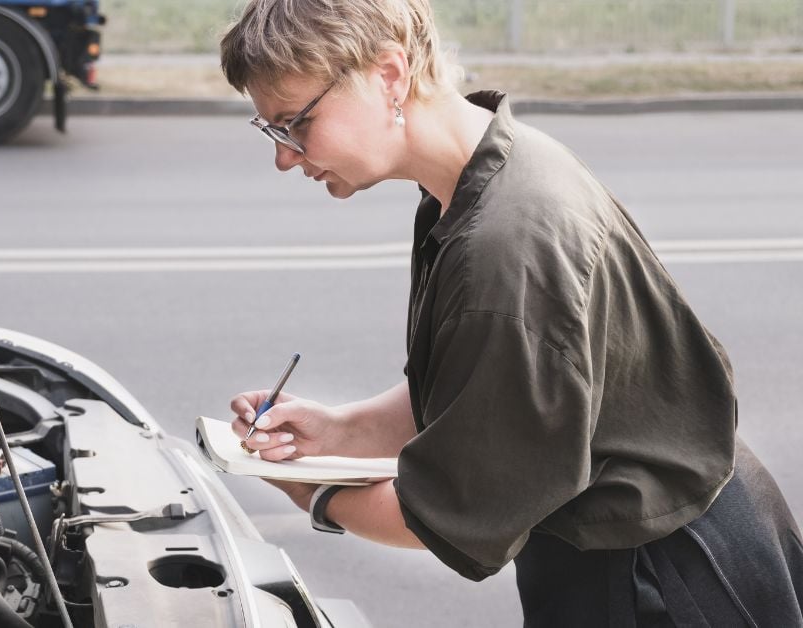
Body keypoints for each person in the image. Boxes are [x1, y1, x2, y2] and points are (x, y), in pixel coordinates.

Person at [219, 0, 803, 625]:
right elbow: (489, 392)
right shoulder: (491, 169)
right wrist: (339, 431)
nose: (285, 155)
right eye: (272, 131)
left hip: (663, 576)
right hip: (661, 540)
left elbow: (451, 513)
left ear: (388, 75)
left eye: (294, 123)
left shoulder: (502, 245)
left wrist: (315, 494)